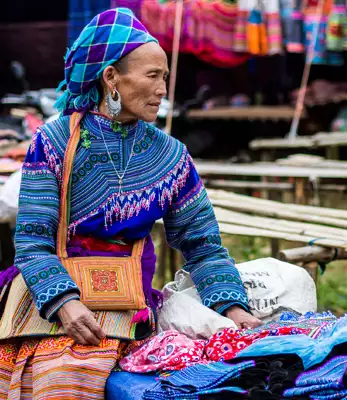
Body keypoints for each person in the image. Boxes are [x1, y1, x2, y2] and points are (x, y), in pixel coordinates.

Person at [0, 9, 262, 398]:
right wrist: (64, 303)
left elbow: (204, 247)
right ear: (111, 78)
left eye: (166, 78)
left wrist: (233, 308)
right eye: (152, 76)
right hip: (54, 293)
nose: (162, 90)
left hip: (127, 297)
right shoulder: (54, 140)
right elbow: (33, 240)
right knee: (61, 374)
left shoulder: (172, 156)